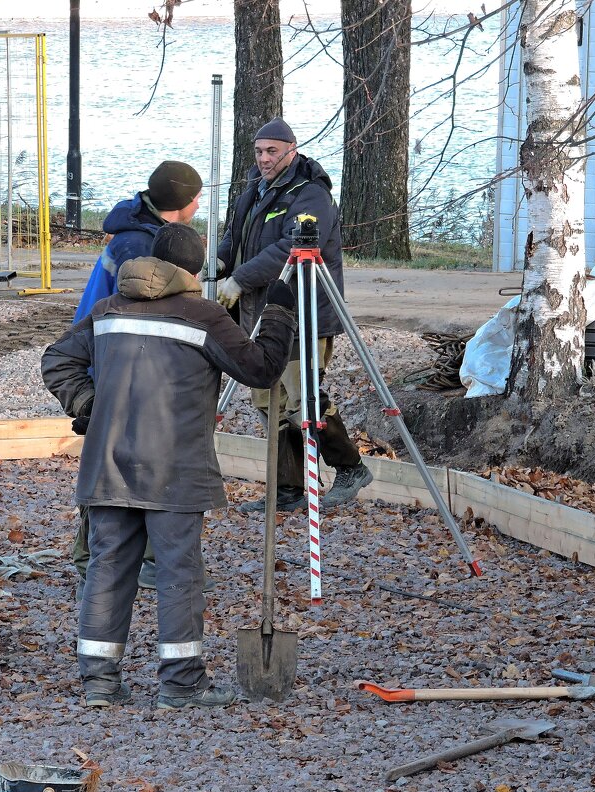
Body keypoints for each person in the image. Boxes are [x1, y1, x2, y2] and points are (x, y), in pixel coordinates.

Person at [42, 223, 297, 709]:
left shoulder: (108, 310)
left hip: (109, 465)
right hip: (176, 470)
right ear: (195, 269)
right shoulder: (204, 317)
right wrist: (280, 311)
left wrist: (89, 406)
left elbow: (57, 359)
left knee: (107, 567)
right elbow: (261, 369)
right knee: (180, 573)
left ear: (153, 261)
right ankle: (180, 684)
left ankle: (99, 682)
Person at [216, 117, 373, 513]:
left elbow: (292, 246)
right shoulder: (253, 188)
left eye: (272, 151)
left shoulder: (311, 195)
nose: (265, 159)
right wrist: (219, 262)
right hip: (260, 315)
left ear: (292, 149)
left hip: (304, 313)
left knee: (303, 401)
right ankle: (288, 488)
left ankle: (350, 467)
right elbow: (235, 236)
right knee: (269, 402)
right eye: (259, 151)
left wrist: (239, 279)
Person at [70, 161, 203, 593]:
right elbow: (139, 310)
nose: (200, 203)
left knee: (124, 452)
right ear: (182, 203)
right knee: (115, 457)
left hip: (112, 350)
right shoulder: (138, 246)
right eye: (196, 196)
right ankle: (94, 558)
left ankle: (125, 557)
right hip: (113, 355)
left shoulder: (136, 229)